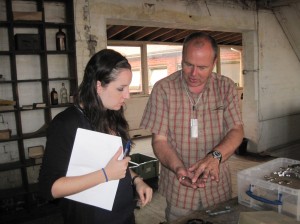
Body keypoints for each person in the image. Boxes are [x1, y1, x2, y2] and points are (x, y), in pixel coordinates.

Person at [39, 49, 153, 224]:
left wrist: (137, 180)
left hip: (123, 216)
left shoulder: (111, 113)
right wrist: (105, 175)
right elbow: (50, 188)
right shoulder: (66, 123)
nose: (127, 95)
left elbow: (116, 164)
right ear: (99, 86)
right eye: (121, 88)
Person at [140, 32, 244, 222]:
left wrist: (216, 156)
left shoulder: (226, 87)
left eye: (202, 67)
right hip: (179, 189)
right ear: (182, 58)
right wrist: (178, 168)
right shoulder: (163, 89)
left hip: (217, 185)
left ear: (214, 63)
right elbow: (159, 141)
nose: (193, 74)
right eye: (188, 64)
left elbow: (236, 130)